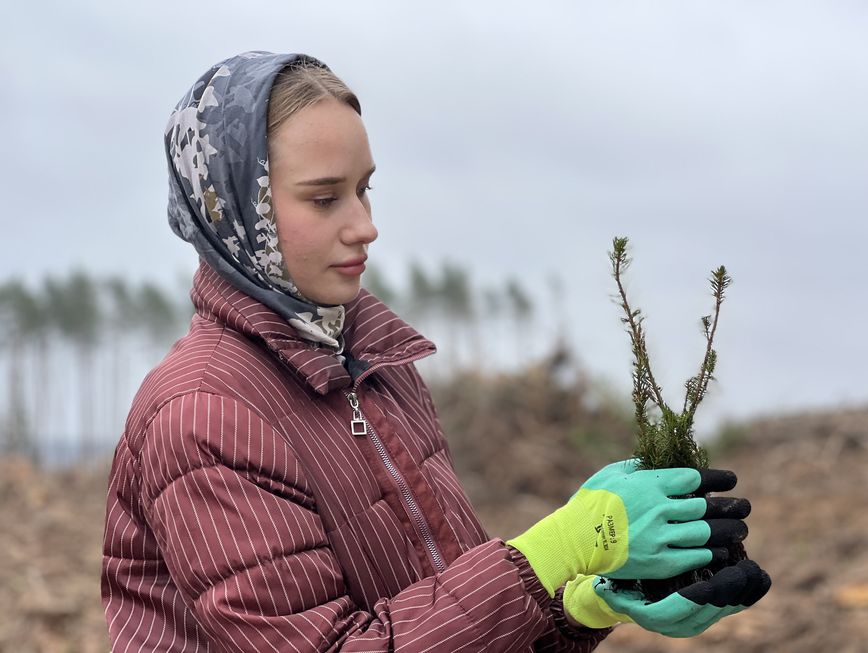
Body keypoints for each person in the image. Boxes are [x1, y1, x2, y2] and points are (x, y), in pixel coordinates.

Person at [101, 51, 770, 652]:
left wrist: (582, 600)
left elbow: (449, 620)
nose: (365, 225)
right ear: (234, 212)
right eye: (325, 197)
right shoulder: (206, 415)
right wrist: (556, 546)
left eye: (364, 188)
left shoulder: (373, 367)